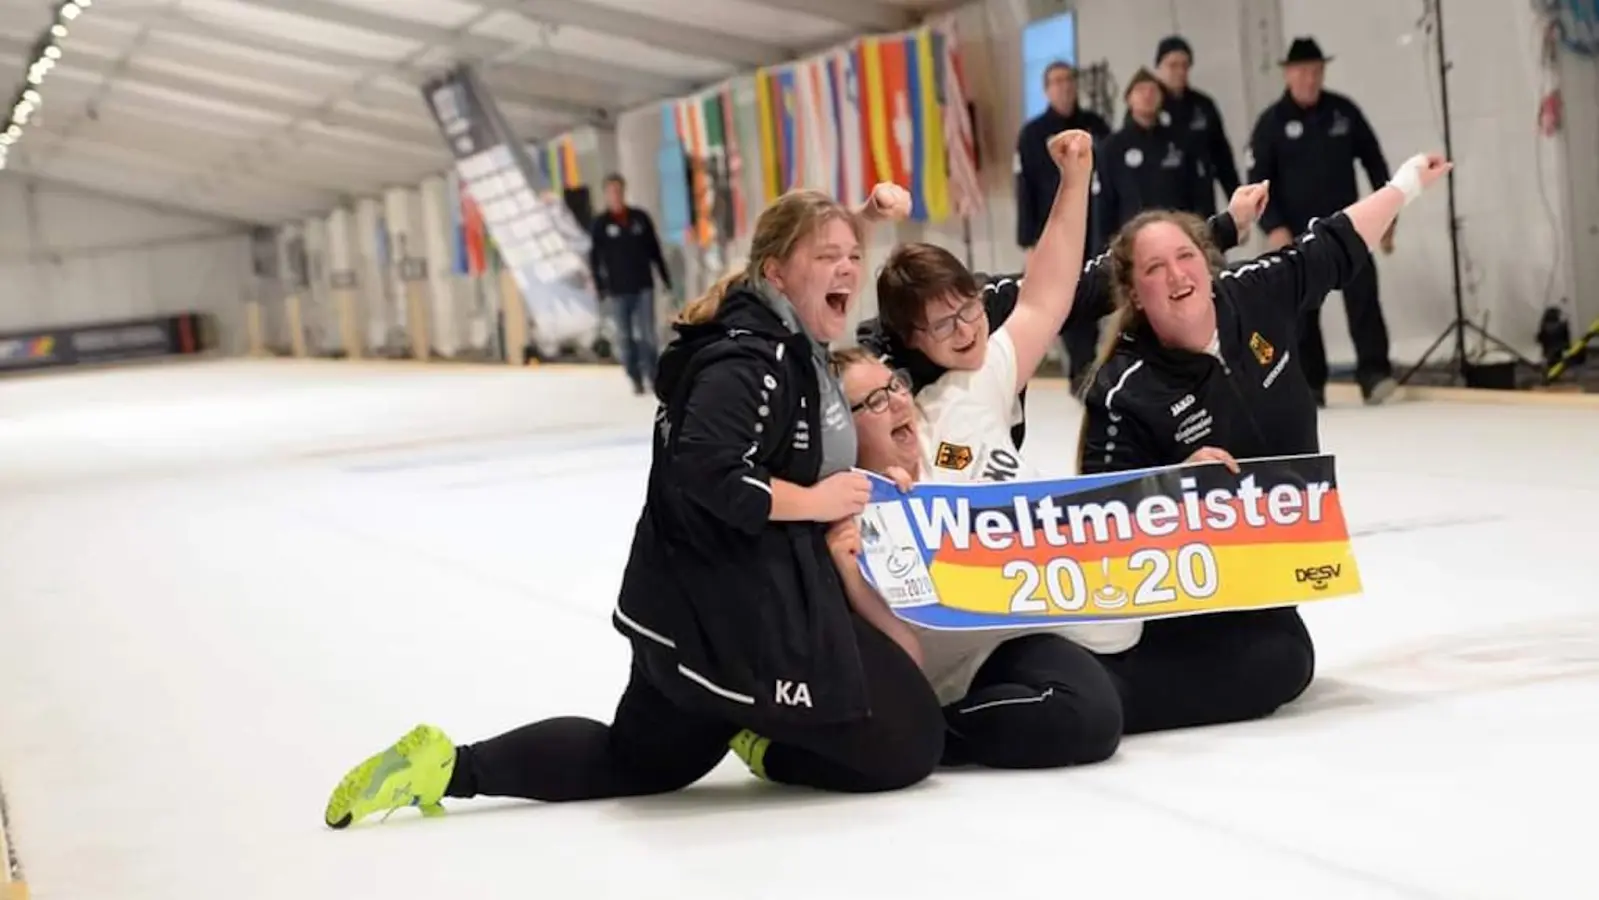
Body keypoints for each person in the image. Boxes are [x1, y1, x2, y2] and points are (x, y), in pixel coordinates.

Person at [322, 184, 947, 830]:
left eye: (852, 256)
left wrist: (862, 223)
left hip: (708, 605)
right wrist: (816, 500)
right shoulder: (749, 360)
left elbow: (825, 272)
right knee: (908, 745)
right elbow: (706, 472)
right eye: (826, 257)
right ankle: (763, 731)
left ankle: (446, 766)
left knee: (637, 762)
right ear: (776, 272)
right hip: (736, 620)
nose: (847, 268)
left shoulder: (782, 328)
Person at [1075, 150, 1452, 733]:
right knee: (1284, 662)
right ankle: (1098, 697)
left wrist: (1405, 184)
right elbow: (1098, 514)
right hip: (1178, 597)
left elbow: (1334, 245)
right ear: (1132, 292)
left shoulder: (1253, 295)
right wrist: (1173, 485)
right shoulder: (1124, 387)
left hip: (1265, 576)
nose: (1177, 276)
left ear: (1206, 259)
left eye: (1185, 256)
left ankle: (1105, 692)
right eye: (1154, 269)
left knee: (1285, 651)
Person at [827, 346, 1122, 769]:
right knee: (1090, 717)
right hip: (958, 672)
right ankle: (922, 736)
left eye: (895, 385)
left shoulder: (943, 448)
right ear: (843, 432)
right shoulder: (844, 517)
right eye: (874, 401)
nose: (896, 399)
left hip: (1021, 634)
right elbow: (907, 656)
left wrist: (1181, 480)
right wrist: (854, 573)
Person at [856, 181, 1271, 444]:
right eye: (944, 325)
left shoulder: (994, 303)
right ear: (912, 336)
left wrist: (1227, 226)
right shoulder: (879, 370)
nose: (966, 331)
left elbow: (1093, 283)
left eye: (968, 310)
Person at [1246, 37, 1398, 407]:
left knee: (1364, 298)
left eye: (1317, 72)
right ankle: (1310, 384)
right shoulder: (1271, 124)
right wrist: (1275, 227)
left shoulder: (1343, 113)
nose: (1310, 80)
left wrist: (1388, 209)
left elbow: (1375, 160)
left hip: (1349, 227)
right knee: (1302, 311)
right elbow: (1256, 181)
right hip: (1298, 234)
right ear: (1288, 74)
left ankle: (1375, 374)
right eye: (1303, 73)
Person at [1015, 61, 1112, 387]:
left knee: (1097, 295)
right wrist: (1028, 243)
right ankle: (1081, 374)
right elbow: (1024, 191)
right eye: (1057, 81)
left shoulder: (1096, 126)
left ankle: (1094, 371)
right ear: (1047, 89)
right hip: (1054, 231)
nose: (1064, 86)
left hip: (1096, 229)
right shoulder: (1032, 135)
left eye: (1069, 80)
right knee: (1067, 303)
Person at [1092, 67, 1213, 252]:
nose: (1147, 95)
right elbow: (1103, 206)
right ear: (1129, 99)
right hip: (1132, 242)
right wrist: (1102, 251)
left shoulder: (1181, 141)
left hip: (1178, 236)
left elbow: (1200, 193)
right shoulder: (1112, 148)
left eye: (1153, 90)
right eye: (1140, 90)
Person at [588, 174, 673, 394]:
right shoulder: (601, 224)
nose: (616, 195)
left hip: (643, 284)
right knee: (625, 336)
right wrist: (600, 287)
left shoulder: (640, 219)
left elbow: (654, 250)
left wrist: (665, 278)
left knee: (647, 334)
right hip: (618, 289)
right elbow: (595, 259)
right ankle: (634, 374)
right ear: (606, 195)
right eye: (611, 192)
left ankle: (652, 374)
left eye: (619, 190)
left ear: (624, 192)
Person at [1152, 36, 1241, 218]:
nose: (1179, 71)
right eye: (1172, 65)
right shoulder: (1148, 107)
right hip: (1161, 205)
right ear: (1159, 68)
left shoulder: (1203, 106)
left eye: (1184, 65)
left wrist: (1237, 207)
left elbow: (1223, 159)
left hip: (1200, 201)